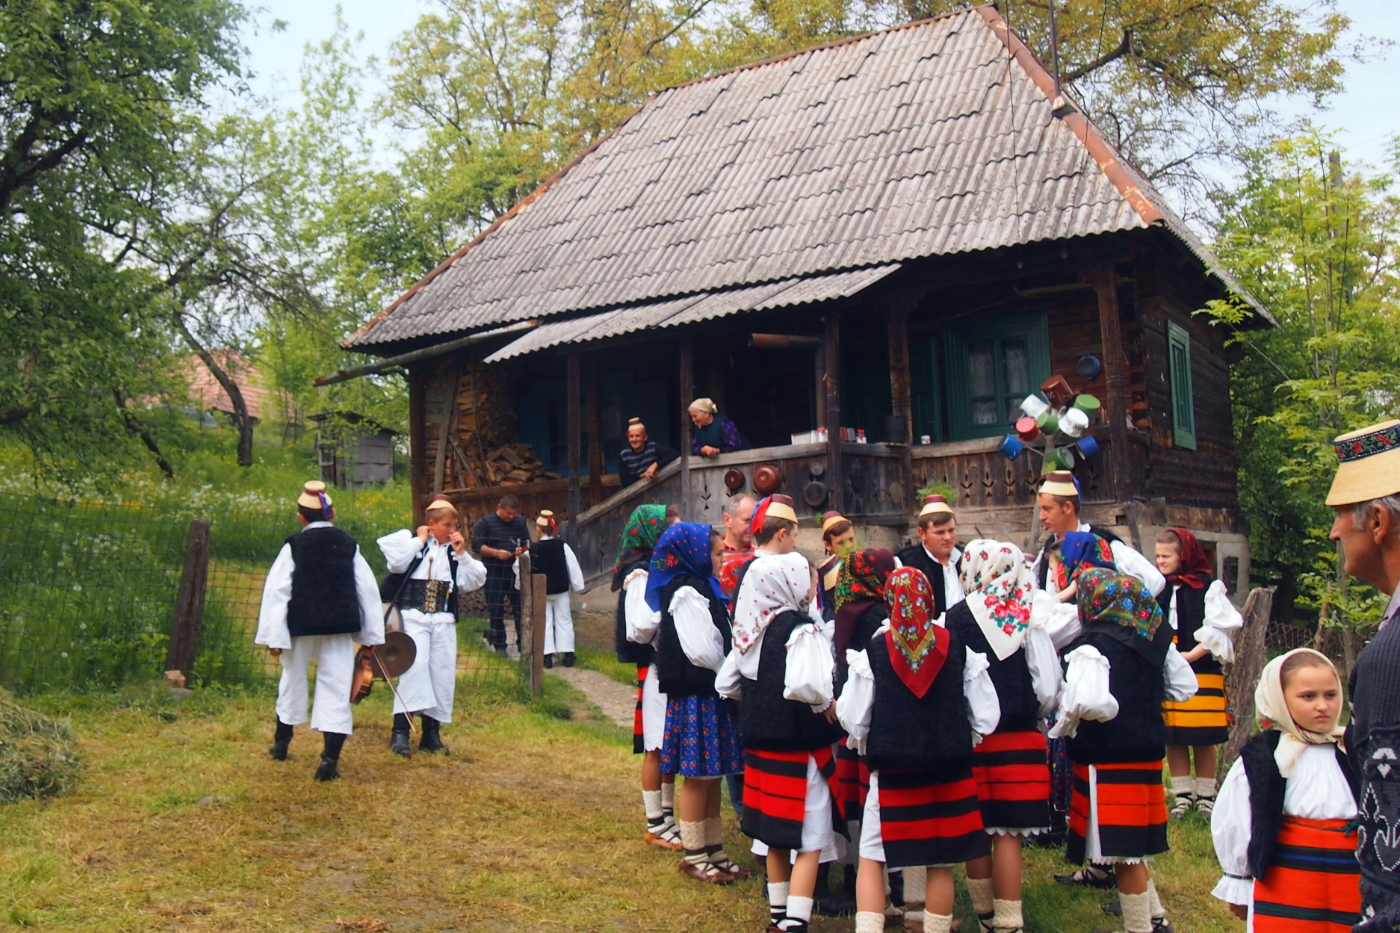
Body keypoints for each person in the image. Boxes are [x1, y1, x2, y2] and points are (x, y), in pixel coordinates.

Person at [837, 566, 1001, 933]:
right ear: (929, 599)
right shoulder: (956, 646)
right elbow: (986, 715)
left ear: (891, 602)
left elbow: (853, 716)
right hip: (948, 770)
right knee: (939, 860)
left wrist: (869, 740)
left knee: (872, 856)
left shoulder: (875, 653)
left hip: (892, 772)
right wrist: (958, 737)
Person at [1048, 568, 1198, 933]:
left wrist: (1062, 729)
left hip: (1107, 756)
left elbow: (1084, 704)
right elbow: (1184, 687)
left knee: (1123, 853)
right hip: (1146, 750)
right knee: (1134, 846)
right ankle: (1155, 918)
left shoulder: (1091, 645)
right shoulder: (1154, 640)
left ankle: (1138, 928)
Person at [722, 493, 844, 933]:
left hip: (761, 740)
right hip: (799, 746)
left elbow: (726, 683)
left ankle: (777, 914)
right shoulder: (801, 630)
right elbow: (810, 686)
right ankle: (795, 920)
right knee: (811, 839)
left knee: (773, 832)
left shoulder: (751, 632)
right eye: (806, 581)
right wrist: (828, 705)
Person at [946, 541, 1061, 933]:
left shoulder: (954, 618)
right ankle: (1010, 922)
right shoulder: (1025, 614)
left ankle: (985, 917)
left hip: (973, 739)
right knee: (1009, 832)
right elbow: (1047, 684)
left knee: (977, 828)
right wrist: (1036, 714)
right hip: (1019, 736)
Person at [1211, 648, 1359, 933]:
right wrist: (1239, 879)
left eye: (1330, 695)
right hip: (1285, 877)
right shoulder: (1264, 757)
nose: (1323, 706)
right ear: (1279, 698)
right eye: (1308, 696)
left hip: (1350, 879)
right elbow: (1239, 817)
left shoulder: (1353, 751)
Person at [1324, 420, 1400, 932]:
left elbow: (1389, 857)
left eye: (1338, 518)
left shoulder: (1388, 659)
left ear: (1377, 521)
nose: (1332, 533)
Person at [255, 481, 384, 781]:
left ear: (300, 517)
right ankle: (329, 761)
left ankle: (281, 745)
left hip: (300, 627)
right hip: (338, 629)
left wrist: (276, 638)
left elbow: (277, 593)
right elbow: (366, 591)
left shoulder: (294, 547)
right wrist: (371, 637)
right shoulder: (349, 545)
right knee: (337, 686)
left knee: (292, 678)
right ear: (332, 514)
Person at [646, 522, 747, 884]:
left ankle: (713, 848)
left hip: (711, 693)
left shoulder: (704, 587)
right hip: (698, 694)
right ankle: (693, 854)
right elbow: (702, 649)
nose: (723, 559)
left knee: (712, 774)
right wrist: (730, 668)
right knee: (697, 775)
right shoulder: (686, 592)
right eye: (718, 554)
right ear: (697, 555)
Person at [377, 495, 488, 757]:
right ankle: (400, 732)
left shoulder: (453, 555)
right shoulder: (415, 545)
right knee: (414, 668)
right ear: (432, 524)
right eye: (447, 525)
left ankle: (431, 735)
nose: (452, 530)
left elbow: (473, 580)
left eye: (454, 525)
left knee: (441, 672)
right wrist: (420, 539)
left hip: (443, 620)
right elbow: (394, 562)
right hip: (414, 618)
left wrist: (462, 553)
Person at [1154, 527, 1243, 820]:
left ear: (1185, 555)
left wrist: (1191, 655)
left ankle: (1206, 796)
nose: (1161, 562)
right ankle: (1182, 796)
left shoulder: (1207, 588)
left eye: (1167, 556)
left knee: (1202, 735)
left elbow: (1220, 627)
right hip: (1168, 666)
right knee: (1174, 734)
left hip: (1200, 667)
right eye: (1157, 556)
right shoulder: (1159, 587)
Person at [831, 549, 897, 915]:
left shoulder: (847, 606)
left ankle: (856, 873)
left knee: (855, 804)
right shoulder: (876, 613)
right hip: (869, 719)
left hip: (850, 717)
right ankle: (878, 885)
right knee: (871, 804)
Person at [613, 504, 682, 849]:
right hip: (656, 667)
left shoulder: (658, 568)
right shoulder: (640, 574)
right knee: (656, 745)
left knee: (667, 743)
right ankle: (655, 823)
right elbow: (640, 627)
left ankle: (668, 816)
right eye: (670, 531)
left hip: (667, 665)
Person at [1029, 472, 1164, 598]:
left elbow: (1154, 580)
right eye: (1040, 509)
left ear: (1068, 508)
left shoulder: (1103, 544)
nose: (1041, 517)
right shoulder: (1047, 550)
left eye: (1047, 509)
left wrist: (1121, 613)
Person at [472, 495, 530, 656]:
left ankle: (523, 643)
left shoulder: (519, 522)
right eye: (508, 513)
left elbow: (527, 542)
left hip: (515, 572)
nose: (511, 517)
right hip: (493, 571)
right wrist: (496, 553)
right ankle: (500, 645)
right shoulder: (485, 522)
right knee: (496, 609)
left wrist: (522, 550)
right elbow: (477, 545)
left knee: (520, 608)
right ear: (499, 508)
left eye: (513, 513)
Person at [528, 510, 585, 669]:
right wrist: (577, 586)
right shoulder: (562, 546)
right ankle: (568, 655)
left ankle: (547, 657)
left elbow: (521, 568)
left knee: (544, 622)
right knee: (564, 620)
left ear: (539, 530)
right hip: (560, 591)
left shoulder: (532, 550)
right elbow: (572, 567)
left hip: (542, 593)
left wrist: (522, 587)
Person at [895, 495, 965, 616]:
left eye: (951, 530)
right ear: (922, 533)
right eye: (940, 532)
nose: (948, 537)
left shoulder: (966, 558)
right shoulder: (906, 562)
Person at [618, 417, 680, 488]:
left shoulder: (653, 447)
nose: (634, 439)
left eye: (637, 436)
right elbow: (625, 482)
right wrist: (643, 475)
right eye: (631, 436)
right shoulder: (624, 455)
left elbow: (675, 454)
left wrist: (655, 465)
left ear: (645, 437)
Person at [718, 494, 758, 602]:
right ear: (727, 520)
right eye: (747, 521)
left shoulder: (759, 554)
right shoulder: (712, 555)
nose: (753, 526)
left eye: (755, 521)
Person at [818, 512, 857, 620]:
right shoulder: (820, 577)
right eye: (841, 542)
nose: (849, 546)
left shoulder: (866, 566)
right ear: (828, 545)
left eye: (851, 539)